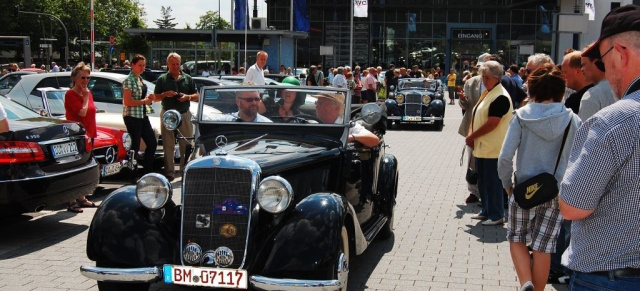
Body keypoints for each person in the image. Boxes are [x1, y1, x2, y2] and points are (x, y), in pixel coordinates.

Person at [559, 5, 640, 290]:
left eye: (603, 60)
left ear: (622, 53)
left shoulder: (613, 121)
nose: (605, 71)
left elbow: (573, 206)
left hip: (610, 277)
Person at [498, 64, 581, 291]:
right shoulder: (573, 120)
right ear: (561, 90)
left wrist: (507, 185)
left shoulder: (522, 117)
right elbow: (580, 158)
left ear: (532, 90)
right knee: (544, 247)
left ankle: (526, 282)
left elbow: (505, 157)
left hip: (524, 189)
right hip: (556, 192)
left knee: (516, 238)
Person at [466, 61, 513, 226]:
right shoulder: (489, 92)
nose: (483, 80)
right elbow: (477, 115)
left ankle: (497, 214)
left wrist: (473, 136)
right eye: (482, 77)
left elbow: (492, 123)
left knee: (493, 183)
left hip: (493, 148)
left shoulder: (500, 96)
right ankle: (486, 210)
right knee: (484, 182)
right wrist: (472, 135)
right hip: (483, 147)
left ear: (496, 77)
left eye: (487, 77)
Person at [153, 53, 199, 181]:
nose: (175, 66)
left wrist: (187, 97)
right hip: (168, 114)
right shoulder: (162, 79)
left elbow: (197, 95)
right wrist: (165, 94)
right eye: (172, 64)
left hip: (184, 113)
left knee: (186, 143)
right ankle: (169, 172)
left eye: (177, 64)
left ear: (180, 64)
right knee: (168, 144)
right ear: (167, 64)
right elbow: (155, 98)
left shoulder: (188, 78)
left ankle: (185, 170)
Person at [64, 62, 98, 213]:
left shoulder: (88, 93)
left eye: (88, 78)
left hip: (89, 134)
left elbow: (91, 111)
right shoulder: (70, 94)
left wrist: (86, 96)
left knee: (85, 167)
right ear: (74, 78)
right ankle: (72, 201)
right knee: (75, 168)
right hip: (76, 135)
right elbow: (82, 113)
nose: (85, 81)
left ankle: (82, 198)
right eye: (82, 77)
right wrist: (84, 98)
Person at [122, 54, 157, 179]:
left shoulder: (140, 79)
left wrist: (149, 98)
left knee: (152, 143)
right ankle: (132, 173)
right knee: (134, 145)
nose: (142, 68)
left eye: (144, 65)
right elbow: (127, 102)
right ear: (132, 65)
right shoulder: (129, 80)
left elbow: (142, 98)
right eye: (139, 65)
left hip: (142, 114)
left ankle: (147, 170)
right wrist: (144, 101)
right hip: (132, 116)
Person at [458, 56, 486, 204]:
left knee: (488, 161)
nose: (482, 69)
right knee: (472, 161)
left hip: (490, 127)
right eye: (480, 67)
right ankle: (473, 192)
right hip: (472, 126)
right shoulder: (471, 82)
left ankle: (486, 192)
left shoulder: (498, 82)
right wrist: (462, 99)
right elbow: (465, 105)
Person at [314, 92, 379, 147]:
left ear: (336, 108)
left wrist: (353, 137)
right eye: (316, 103)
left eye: (321, 103)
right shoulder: (312, 124)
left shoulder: (349, 126)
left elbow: (374, 140)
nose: (317, 106)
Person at [578, 42, 617, 121]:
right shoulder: (623, 88)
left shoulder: (592, 95)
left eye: (584, 64)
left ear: (595, 62)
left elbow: (584, 131)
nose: (582, 69)